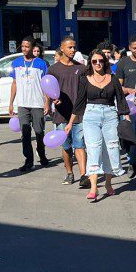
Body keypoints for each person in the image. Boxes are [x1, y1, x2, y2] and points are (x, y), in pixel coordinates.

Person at [66, 49, 130, 201]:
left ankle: (108, 183)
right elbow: (80, 101)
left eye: (100, 61)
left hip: (110, 115)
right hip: (91, 115)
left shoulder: (113, 78)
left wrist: (126, 117)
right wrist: (70, 122)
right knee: (93, 148)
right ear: (91, 63)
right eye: (94, 61)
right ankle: (94, 188)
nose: (98, 64)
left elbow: (120, 99)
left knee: (111, 149)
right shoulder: (84, 79)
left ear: (105, 62)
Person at [48, 37, 88, 187]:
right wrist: (52, 100)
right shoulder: (53, 69)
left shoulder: (82, 68)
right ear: (62, 49)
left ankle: (84, 175)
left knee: (80, 144)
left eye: (74, 47)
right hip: (61, 114)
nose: (72, 50)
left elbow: (85, 91)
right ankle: (70, 173)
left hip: (78, 114)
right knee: (66, 146)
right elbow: (49, 88)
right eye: (69, 47)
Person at [9, 36, 50, 172]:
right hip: (23, 104)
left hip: (37, 103)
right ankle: (29, 161)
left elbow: (46, 84)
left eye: (27, 46)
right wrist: (11, 103)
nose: (24, 49)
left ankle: (42, 154)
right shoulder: (16, 63)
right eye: (23, 46)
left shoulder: (41, 64)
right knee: (25, 133)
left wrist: (47, 102)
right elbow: (14, 83)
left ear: (33, 48)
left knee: (39, 131)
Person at [116, 35, 136, 177]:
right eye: (134, 48)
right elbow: (118, 86)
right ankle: (132, 162)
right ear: (129, 48)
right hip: (130, 107)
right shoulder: (123, 62)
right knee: (131, 138)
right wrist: (130, 90)